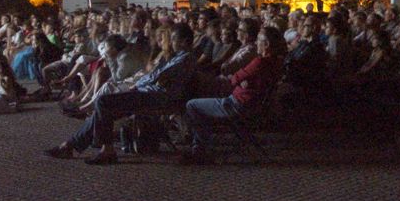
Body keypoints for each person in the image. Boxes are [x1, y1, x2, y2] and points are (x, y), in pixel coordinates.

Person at [45, 23, 196, 165]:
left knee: (104, 102)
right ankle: (72, 145)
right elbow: (154, 74)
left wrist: (137, 85)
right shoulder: (174, 57)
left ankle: (104, 149)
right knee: (103, 106)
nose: (171, 42)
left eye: (174, 39)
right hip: (150, 93)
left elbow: (157, 76)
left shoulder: (185, 58)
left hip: (159, 98)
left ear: (184, 41)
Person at [179, 26, 287, 164]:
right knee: (203, 100)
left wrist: (241, 81)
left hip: (236, 104)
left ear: (266, 44)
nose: (255, 43)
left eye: (258, 40)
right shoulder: (277, 62)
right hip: (253, 104)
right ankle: (202, 143)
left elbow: (235, 78)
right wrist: (242, 81)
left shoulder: (259, 62)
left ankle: (199, 150)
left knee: (192, 105)